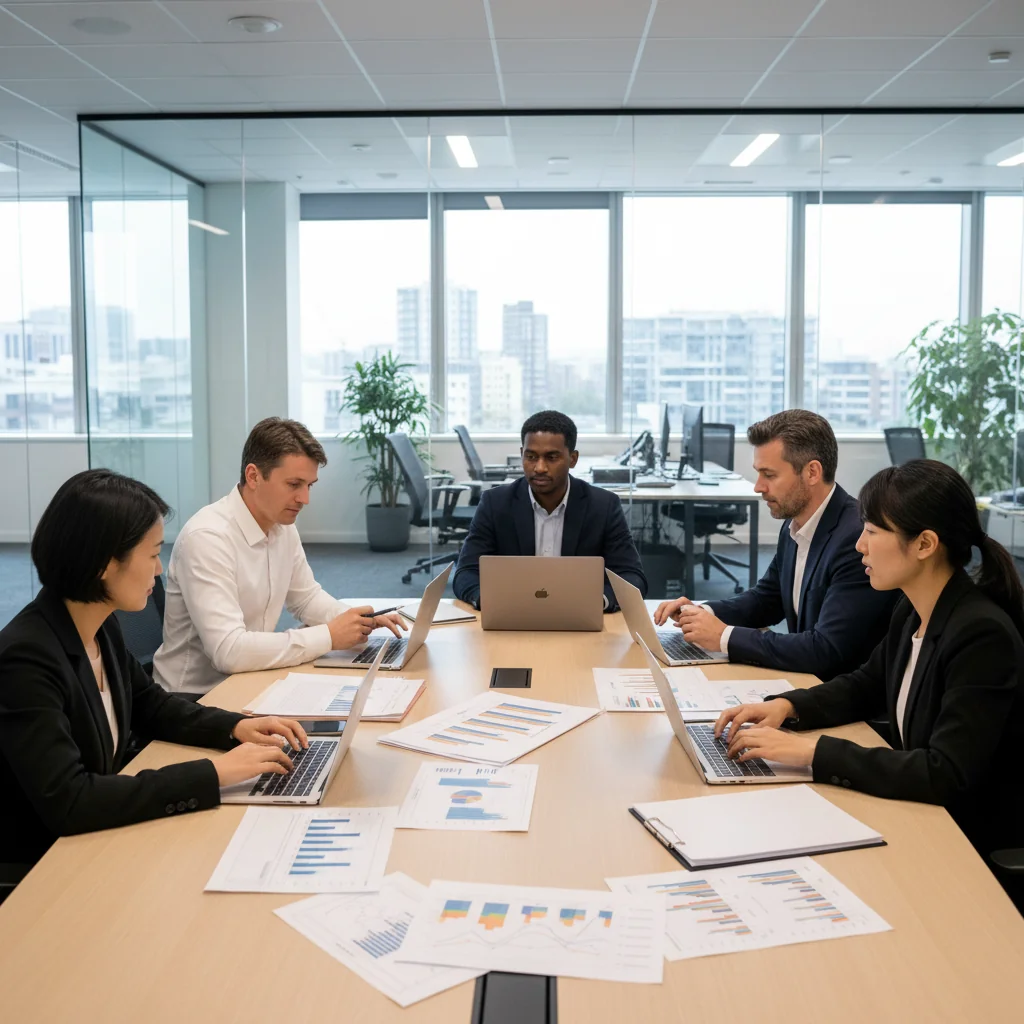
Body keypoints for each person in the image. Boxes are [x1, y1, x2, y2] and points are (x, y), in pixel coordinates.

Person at [714, 460, 1024, 903]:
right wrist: (787, 706)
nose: (859, 545)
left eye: (873, 532)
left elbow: (946, 773)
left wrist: (812, 752)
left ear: (925, 544)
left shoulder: (980, 634)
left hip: (964, 844)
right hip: (918, 814)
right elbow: (864, 685)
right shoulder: (911, 609)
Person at [0, 470, 310, 876]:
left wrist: (237, 727)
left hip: (102, 837)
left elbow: (151, 705)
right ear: (104, 566)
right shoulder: (26, 658)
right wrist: (212, 774)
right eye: (151, 554)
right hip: (49, 867)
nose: (159, 570)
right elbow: (70, 800)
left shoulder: (99, 625)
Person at [154, 417, 405, 696]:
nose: (304, 498)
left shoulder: (281, 526)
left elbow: (305, 598)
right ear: (253, 476)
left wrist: (352, 620)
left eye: (310, 485)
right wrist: (329, 636)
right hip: (195, 697)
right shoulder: (207, 538)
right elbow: (228, 651)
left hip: (252, 677)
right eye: (294, 484)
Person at [654, 409, 898, 680]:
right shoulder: (795, 523)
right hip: (806, 681)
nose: (758, 487)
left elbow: (826, 650)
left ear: (812, 472)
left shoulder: (855, 540)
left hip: (841, 698)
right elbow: (767, 600)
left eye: (769, 475)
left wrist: (723, 637)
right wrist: (702, 612)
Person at [453, 410, 648, 611]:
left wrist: (597, 602)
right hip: (512, 618)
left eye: (551, 457)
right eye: (531, 456)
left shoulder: (603, 506)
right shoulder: (495, 503)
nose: (539, 467)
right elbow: (466, 572)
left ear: (573, 459)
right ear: (522, 454)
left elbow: (631, 576)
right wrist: (488, 599)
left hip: (579, 620)